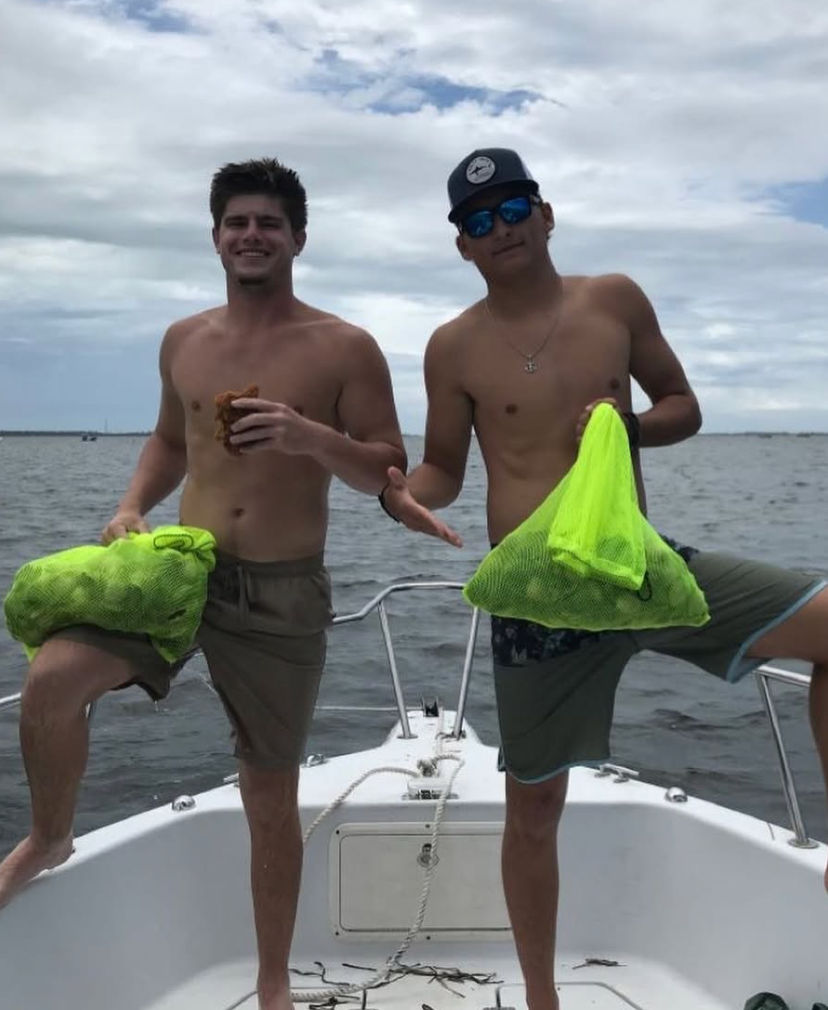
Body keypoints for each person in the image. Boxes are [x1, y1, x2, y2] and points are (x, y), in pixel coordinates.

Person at [381, 147, 828, 1010]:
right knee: (534, 809)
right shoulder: (452, 345)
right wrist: (402, 497)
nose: (499, 228)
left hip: (637, 567)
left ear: (546, 215)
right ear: (462, 248)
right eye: (477, 223)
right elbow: (440, 467)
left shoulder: (613, 301)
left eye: (513, 209)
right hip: (535, 598)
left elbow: (684, 406)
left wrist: (629, 423)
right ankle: (543, 997)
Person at [0, 157, 444, 1010]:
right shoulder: (185, 340)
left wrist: (308, 436)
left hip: (281, 589)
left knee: (268, 792)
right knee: (51, 679)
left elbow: (387, 468)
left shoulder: (343, 345)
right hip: (181, 570)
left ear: (298, 240)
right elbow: (172, 441)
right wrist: (131, 505)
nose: (251, 235)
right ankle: (49, 838)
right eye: (236, 222)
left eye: (268, 223)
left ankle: (272, 985)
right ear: (215, 238)